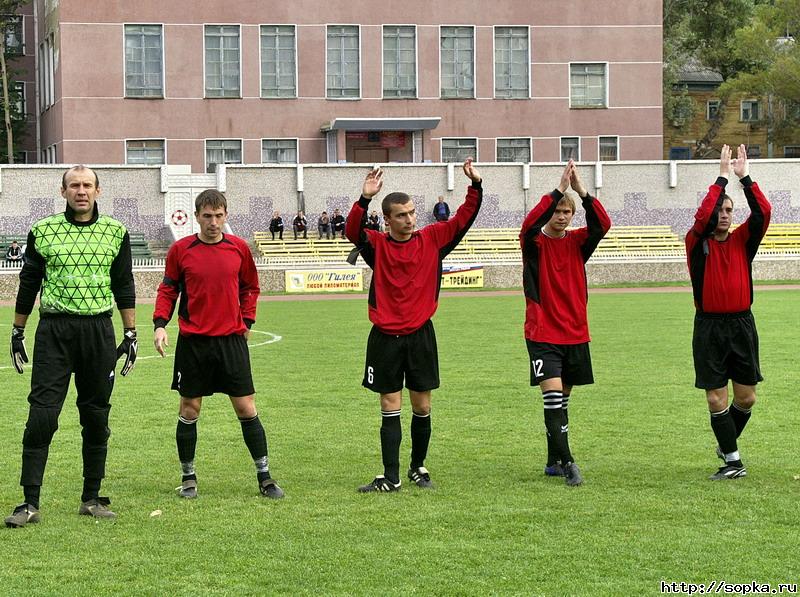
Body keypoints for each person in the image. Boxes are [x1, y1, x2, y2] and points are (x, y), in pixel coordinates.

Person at [5, 165, 138, 528]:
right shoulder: (43, 231)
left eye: (87, 185)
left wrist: (130, 332)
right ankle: (29, 503)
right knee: (42, 416)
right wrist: (18, 330)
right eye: (74, 185)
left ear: (98, 190)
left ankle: (91, 498)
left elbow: (124, 283)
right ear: (62, 191)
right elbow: (29, 282)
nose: (81, 191)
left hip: (98, 331)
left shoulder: (116, 232)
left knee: (96, 416)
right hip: (54, 332)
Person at [345, 158, 483, 492]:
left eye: (411, 213)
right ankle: (390, 477)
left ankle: (417, 468)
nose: (409, 219)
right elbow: (352, 231)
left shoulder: (433, 239)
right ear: (387, 219)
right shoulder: (376, 246)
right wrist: (364, 199)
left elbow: (464, 219)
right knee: (390, 406)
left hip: (421, 335)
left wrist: (475, 186)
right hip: (385, 338)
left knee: (422, 405)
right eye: (401, 215)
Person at [153, 189, 284, 500]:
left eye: (219, 215)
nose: (213, 222)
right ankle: (188, 478)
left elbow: (251, 287)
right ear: (197, 217)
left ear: (226, 215)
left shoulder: (238, 248)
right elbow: (168, 289)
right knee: (190, 408)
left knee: (246, 407)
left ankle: (264, 477)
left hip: (230, 342)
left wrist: (248, 321)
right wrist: (160, 325)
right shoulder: (181, 250)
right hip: (193, 343)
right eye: (207, 216)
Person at [519, 160, 611, 487]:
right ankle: (569, 462)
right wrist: (558, 189)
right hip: (543, 333)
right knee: (554, 398)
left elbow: (603, 223)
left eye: (566, 212)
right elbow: (528, 226)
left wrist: (582, 192)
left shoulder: (578, 243)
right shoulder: (534, 245)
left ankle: (551, 462)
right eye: (557, 210)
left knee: (563, 401)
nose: (561, 216)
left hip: (575, 332)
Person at [685, 144, 771, 480]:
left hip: (741, 326)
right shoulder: (696, 242)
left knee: (746, 398)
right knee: (715, 396)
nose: (724, 214)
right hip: (709, 328)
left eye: (729, 210)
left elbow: (763, 212)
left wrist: (745, 178)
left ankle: (726, 442)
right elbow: (701, 217)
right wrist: (721, 178)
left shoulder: (742, 241)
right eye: (720, 210)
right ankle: (733, 461)